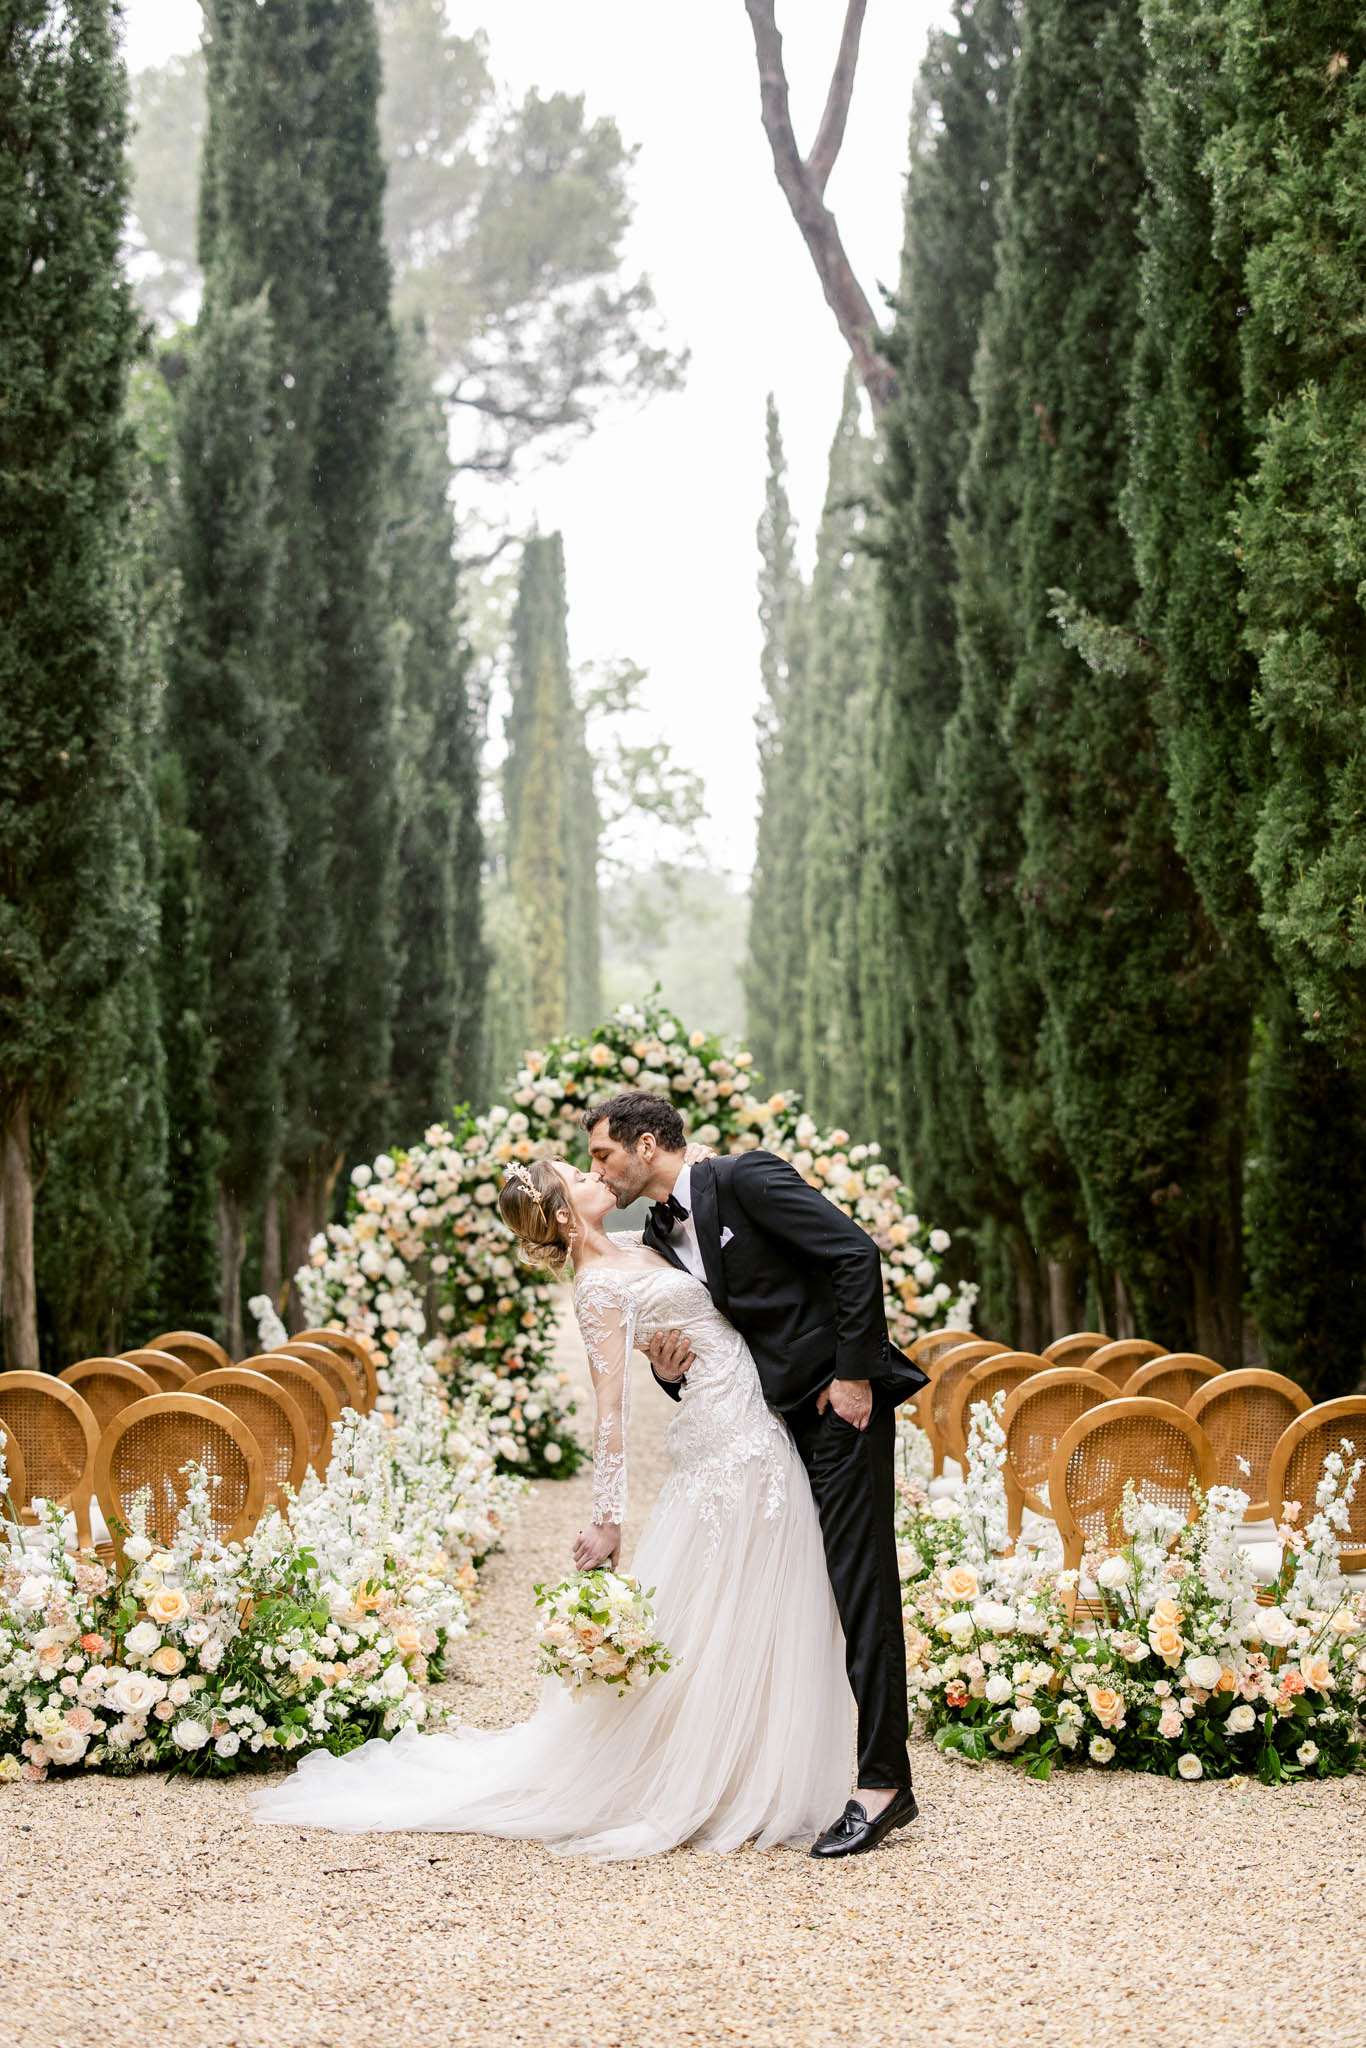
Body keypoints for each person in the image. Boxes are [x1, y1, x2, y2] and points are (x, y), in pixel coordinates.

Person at [251, 1152, 857, 1861]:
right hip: (724, 1444)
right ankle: (709, 1776)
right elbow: (608, 1411)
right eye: (581, 1174)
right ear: (567, 1216)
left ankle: (750, 1763)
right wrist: (608, 1516)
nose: (599, 1176)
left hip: (756, 1420)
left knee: (758, 1597)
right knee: (724, 1600)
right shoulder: (596, 1286)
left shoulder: (642, 1245)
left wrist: (670, 1361)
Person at [585, 1092, 927, 1858]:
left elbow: (854, 1254)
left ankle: (884, 1785)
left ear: (646, 1144)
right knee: (791, 1597)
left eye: (603, 1153)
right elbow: (715, 1342)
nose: (596, 1170)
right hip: (761, 1431)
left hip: (839, 1411)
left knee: (860, 1585)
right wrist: (672, 1374)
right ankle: (765, 1776)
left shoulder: (746, 1179)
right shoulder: (652, 1235)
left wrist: (854, 1379)